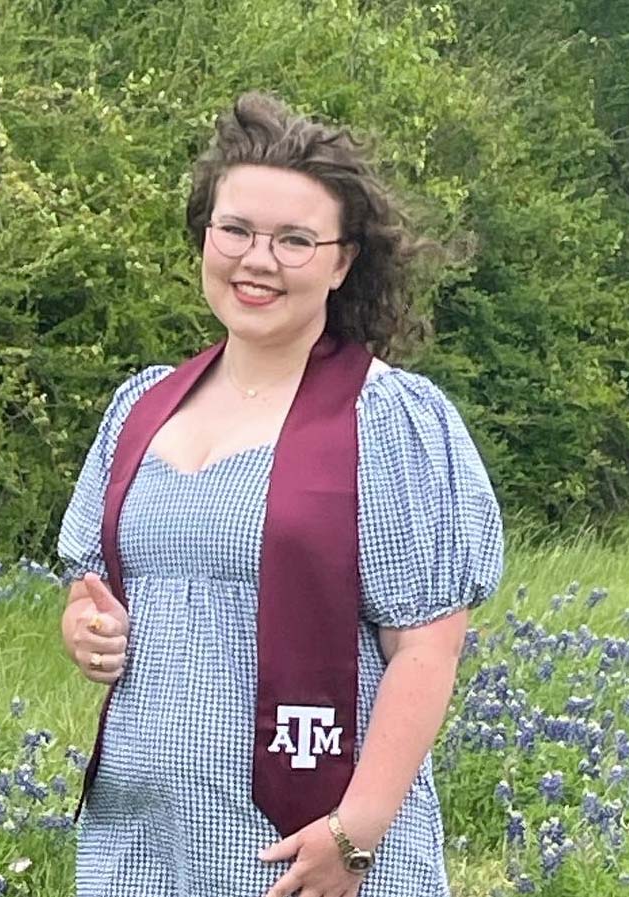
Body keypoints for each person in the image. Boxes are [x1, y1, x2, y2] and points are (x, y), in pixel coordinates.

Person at [56, 91, 504, 897]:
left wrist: (355, 831)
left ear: (341, 262)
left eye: (294, 240)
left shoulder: (389, 419)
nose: (256, 260)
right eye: (235, 230)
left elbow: (426, 649)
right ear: (205, 237)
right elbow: (97, 585)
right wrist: (87, 628)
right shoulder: (143, 404)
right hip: (139, 834)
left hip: (299, 840)